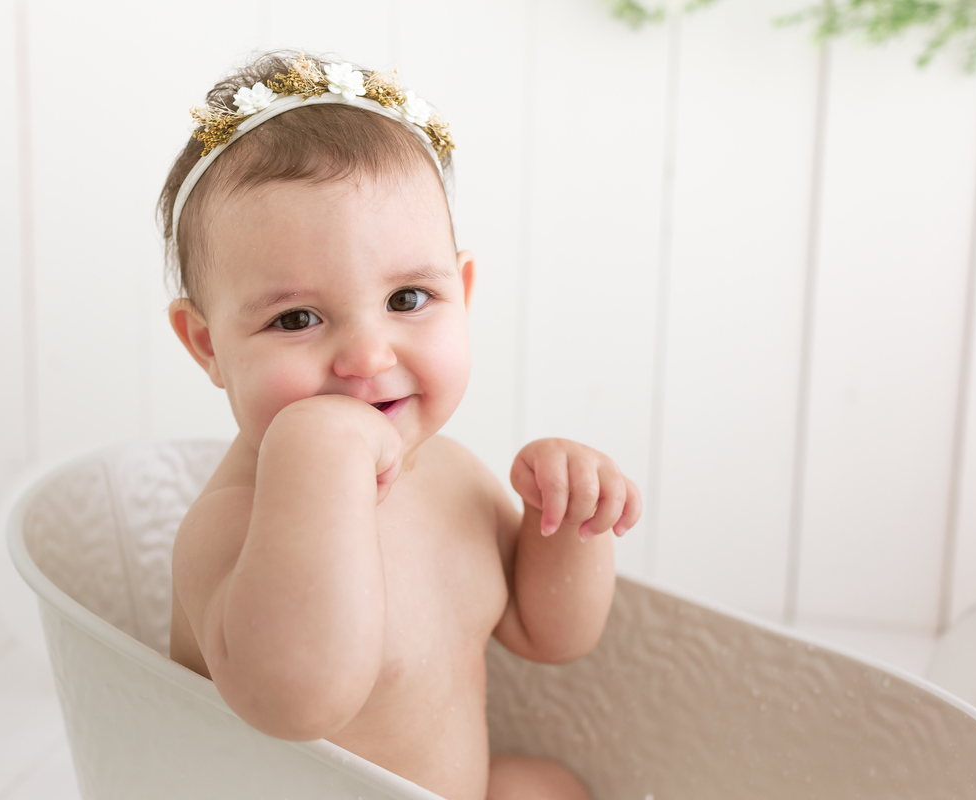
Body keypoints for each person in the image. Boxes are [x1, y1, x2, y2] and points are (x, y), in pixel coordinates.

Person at [160, 50, 642, 800]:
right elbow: (296, 702)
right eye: (297, 318)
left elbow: (550, 635)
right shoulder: (231, 527)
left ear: (462, 293)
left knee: (545, 786)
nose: (367, 356)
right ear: (208, 346)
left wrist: (569, 518)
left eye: (408, 299)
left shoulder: (453, 478)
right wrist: (319, 456)